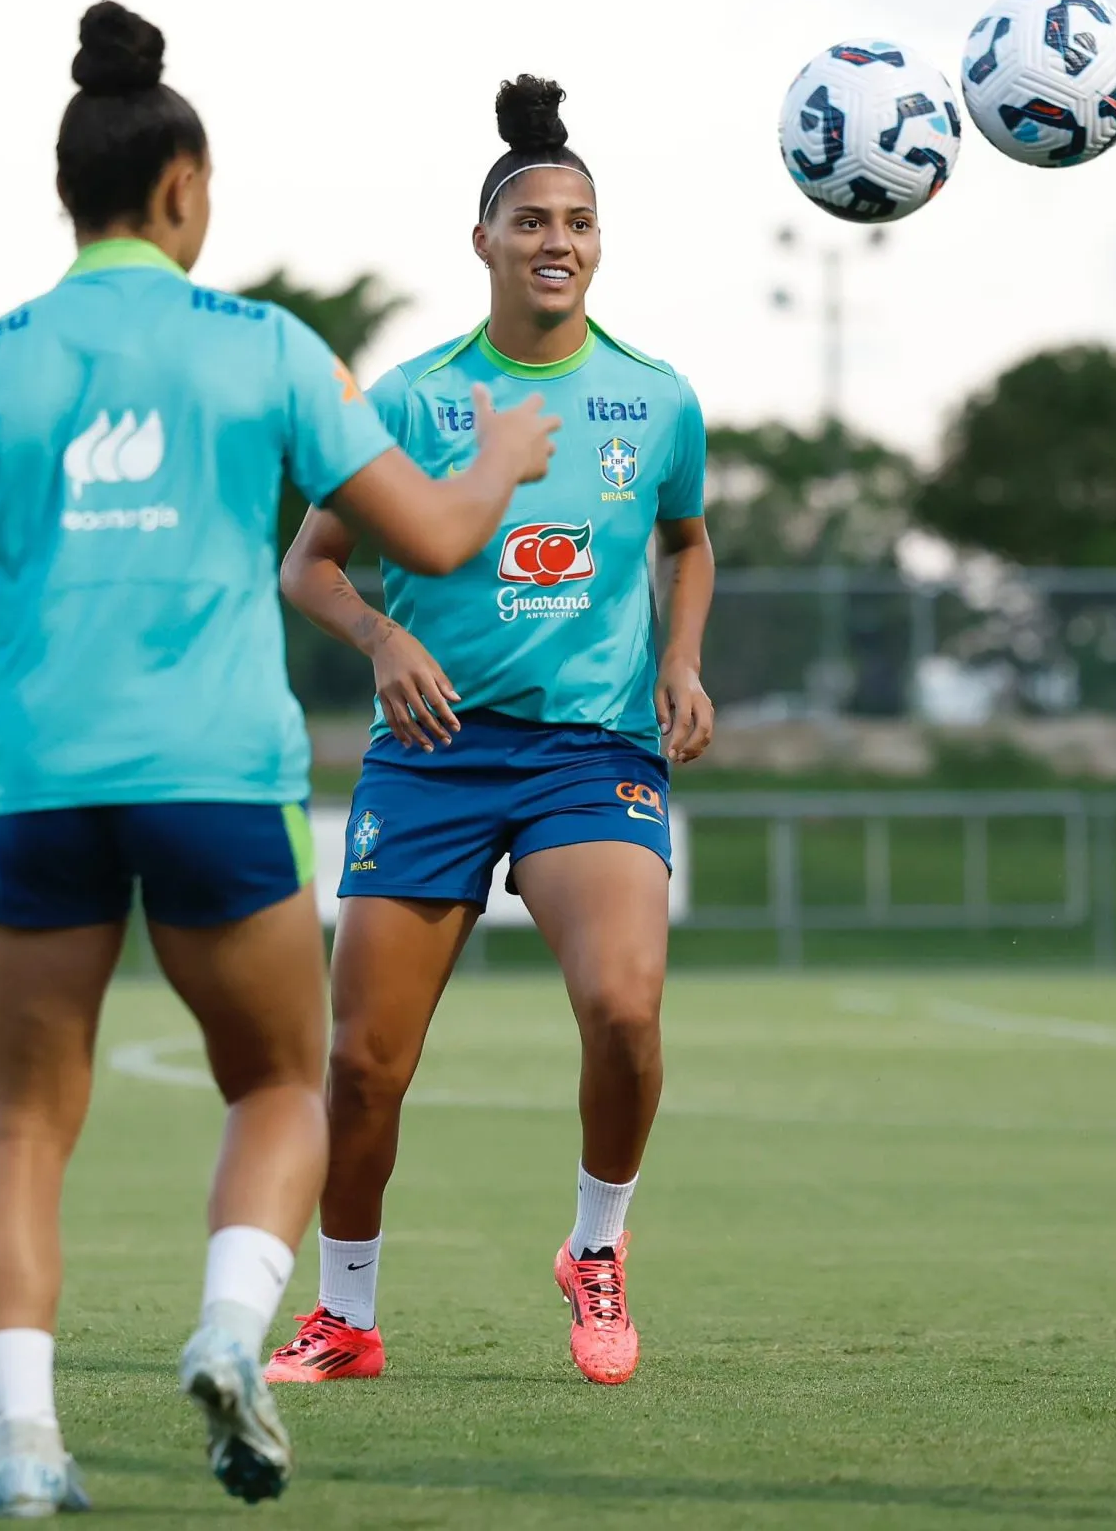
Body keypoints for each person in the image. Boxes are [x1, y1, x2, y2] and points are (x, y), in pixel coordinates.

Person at [0, 1, 556, 1519]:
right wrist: (500, 455)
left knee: (21, 1123)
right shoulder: (267, 350)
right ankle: (232, 1331)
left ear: (69, 195)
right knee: (283, 1081)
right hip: (218, 779)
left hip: (34, 783)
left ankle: (27, 1445)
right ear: (179, 192)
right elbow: (429, 536)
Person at [264, 75, 713, 1391]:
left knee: (624, 1012)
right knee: (361, 1064)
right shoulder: (409, 398)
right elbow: (312, 567)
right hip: (437, 756)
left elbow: (688, 544)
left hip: (590, 752)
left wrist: (682, 659)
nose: (556, 241)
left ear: (599, 241)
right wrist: (386, 639)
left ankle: (596, 1248)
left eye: (578, 221)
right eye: (531, 222)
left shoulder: (656, 398)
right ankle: (346, 1317)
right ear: (484, 243)